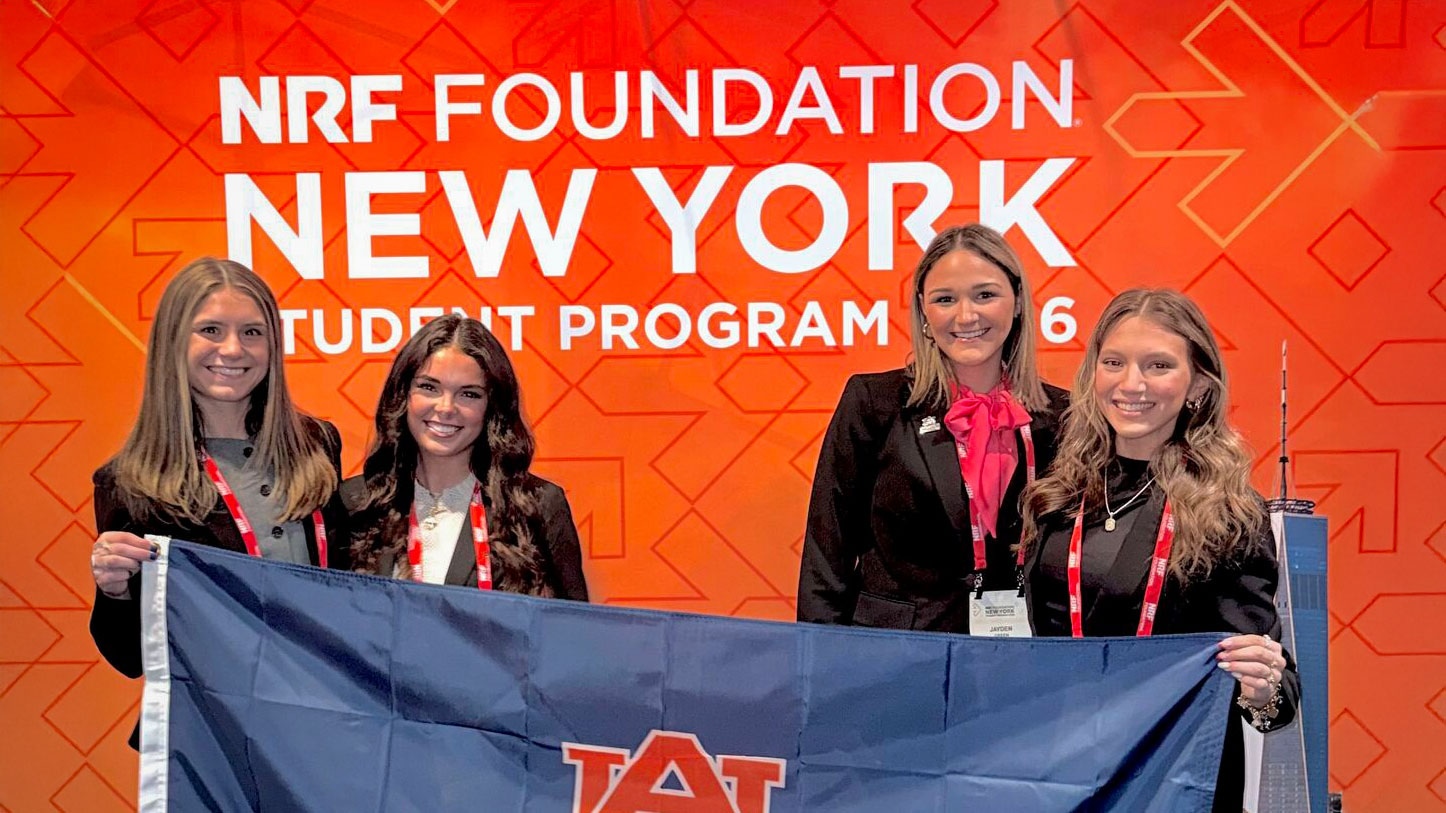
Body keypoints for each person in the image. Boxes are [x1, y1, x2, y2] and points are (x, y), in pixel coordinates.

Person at [1020, 288, 1298, 810]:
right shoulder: (1055, 496)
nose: (1132, 384)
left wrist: (1263, 687)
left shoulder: (1228, 511)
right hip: (1065, 768)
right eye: (1114, 362)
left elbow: (1275, 700)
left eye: (1158, 365)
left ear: (1197, 385)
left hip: (1174, 776)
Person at [87, 257, 350, 748]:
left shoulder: (317, 444)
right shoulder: (130, 482)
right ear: (173, 341)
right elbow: (132, 658)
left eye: (252, 332)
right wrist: (115, 592)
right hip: (210, 738)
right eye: (211, 329)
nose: (233, 349)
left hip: (322, 725)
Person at [797, 224, 1069, 633]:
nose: (966, 316)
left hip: (1018, 654)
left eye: (985, 295)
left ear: (1016, 303)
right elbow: (827, 553)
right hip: (896, 658)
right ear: (924, 312)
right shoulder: (874, 402)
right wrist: (820, 663)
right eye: (945, 299)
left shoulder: (1063, 415)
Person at [344, 314, 588, 600]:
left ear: (492, 407)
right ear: (402, 395)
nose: (446, 408)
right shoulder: (355, 503)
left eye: (469, 394)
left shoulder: (537, 505)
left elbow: (574, 630)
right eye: (428, 387)